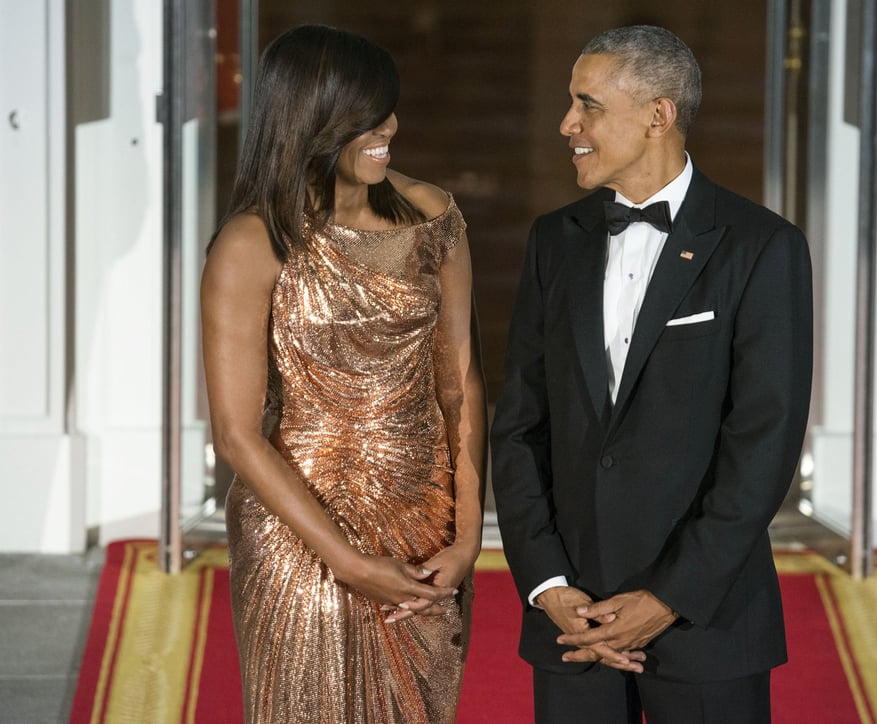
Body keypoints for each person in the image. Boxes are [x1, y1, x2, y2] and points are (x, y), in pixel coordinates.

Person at [490, 25, 812, 723]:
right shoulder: (555, 240)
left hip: (707, 622)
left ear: (658, 115)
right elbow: (519, 425)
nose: (566, 124)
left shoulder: (762, 247)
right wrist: (548, 585)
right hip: (572, 624)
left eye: (588, 106)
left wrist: (668, 597)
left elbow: (764, 443)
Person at [201, 25, 486, 724]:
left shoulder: (432, 215)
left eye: (387, 110)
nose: (388, 127)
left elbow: (461, 380)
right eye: (367, 116)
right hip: (302, 528)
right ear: (313, 120)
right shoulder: (254, 242)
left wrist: (471, 530)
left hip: (425, 516)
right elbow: (238, 436)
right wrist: (349, 562)